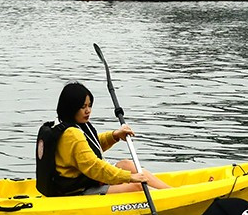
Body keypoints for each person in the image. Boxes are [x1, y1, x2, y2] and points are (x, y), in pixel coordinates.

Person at [35, 82, 173, 197]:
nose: (88, 111)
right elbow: (95, 167)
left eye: (89, 105)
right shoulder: (71, 134)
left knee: (126, 164)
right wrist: (129, 178)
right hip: (77, 191)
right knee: (137, 187)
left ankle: (172, 193)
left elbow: (88, 147)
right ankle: (171, 197)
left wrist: (114, 136)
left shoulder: (71, 126)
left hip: (87, 180)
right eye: (83, 107)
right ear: (71, 108)